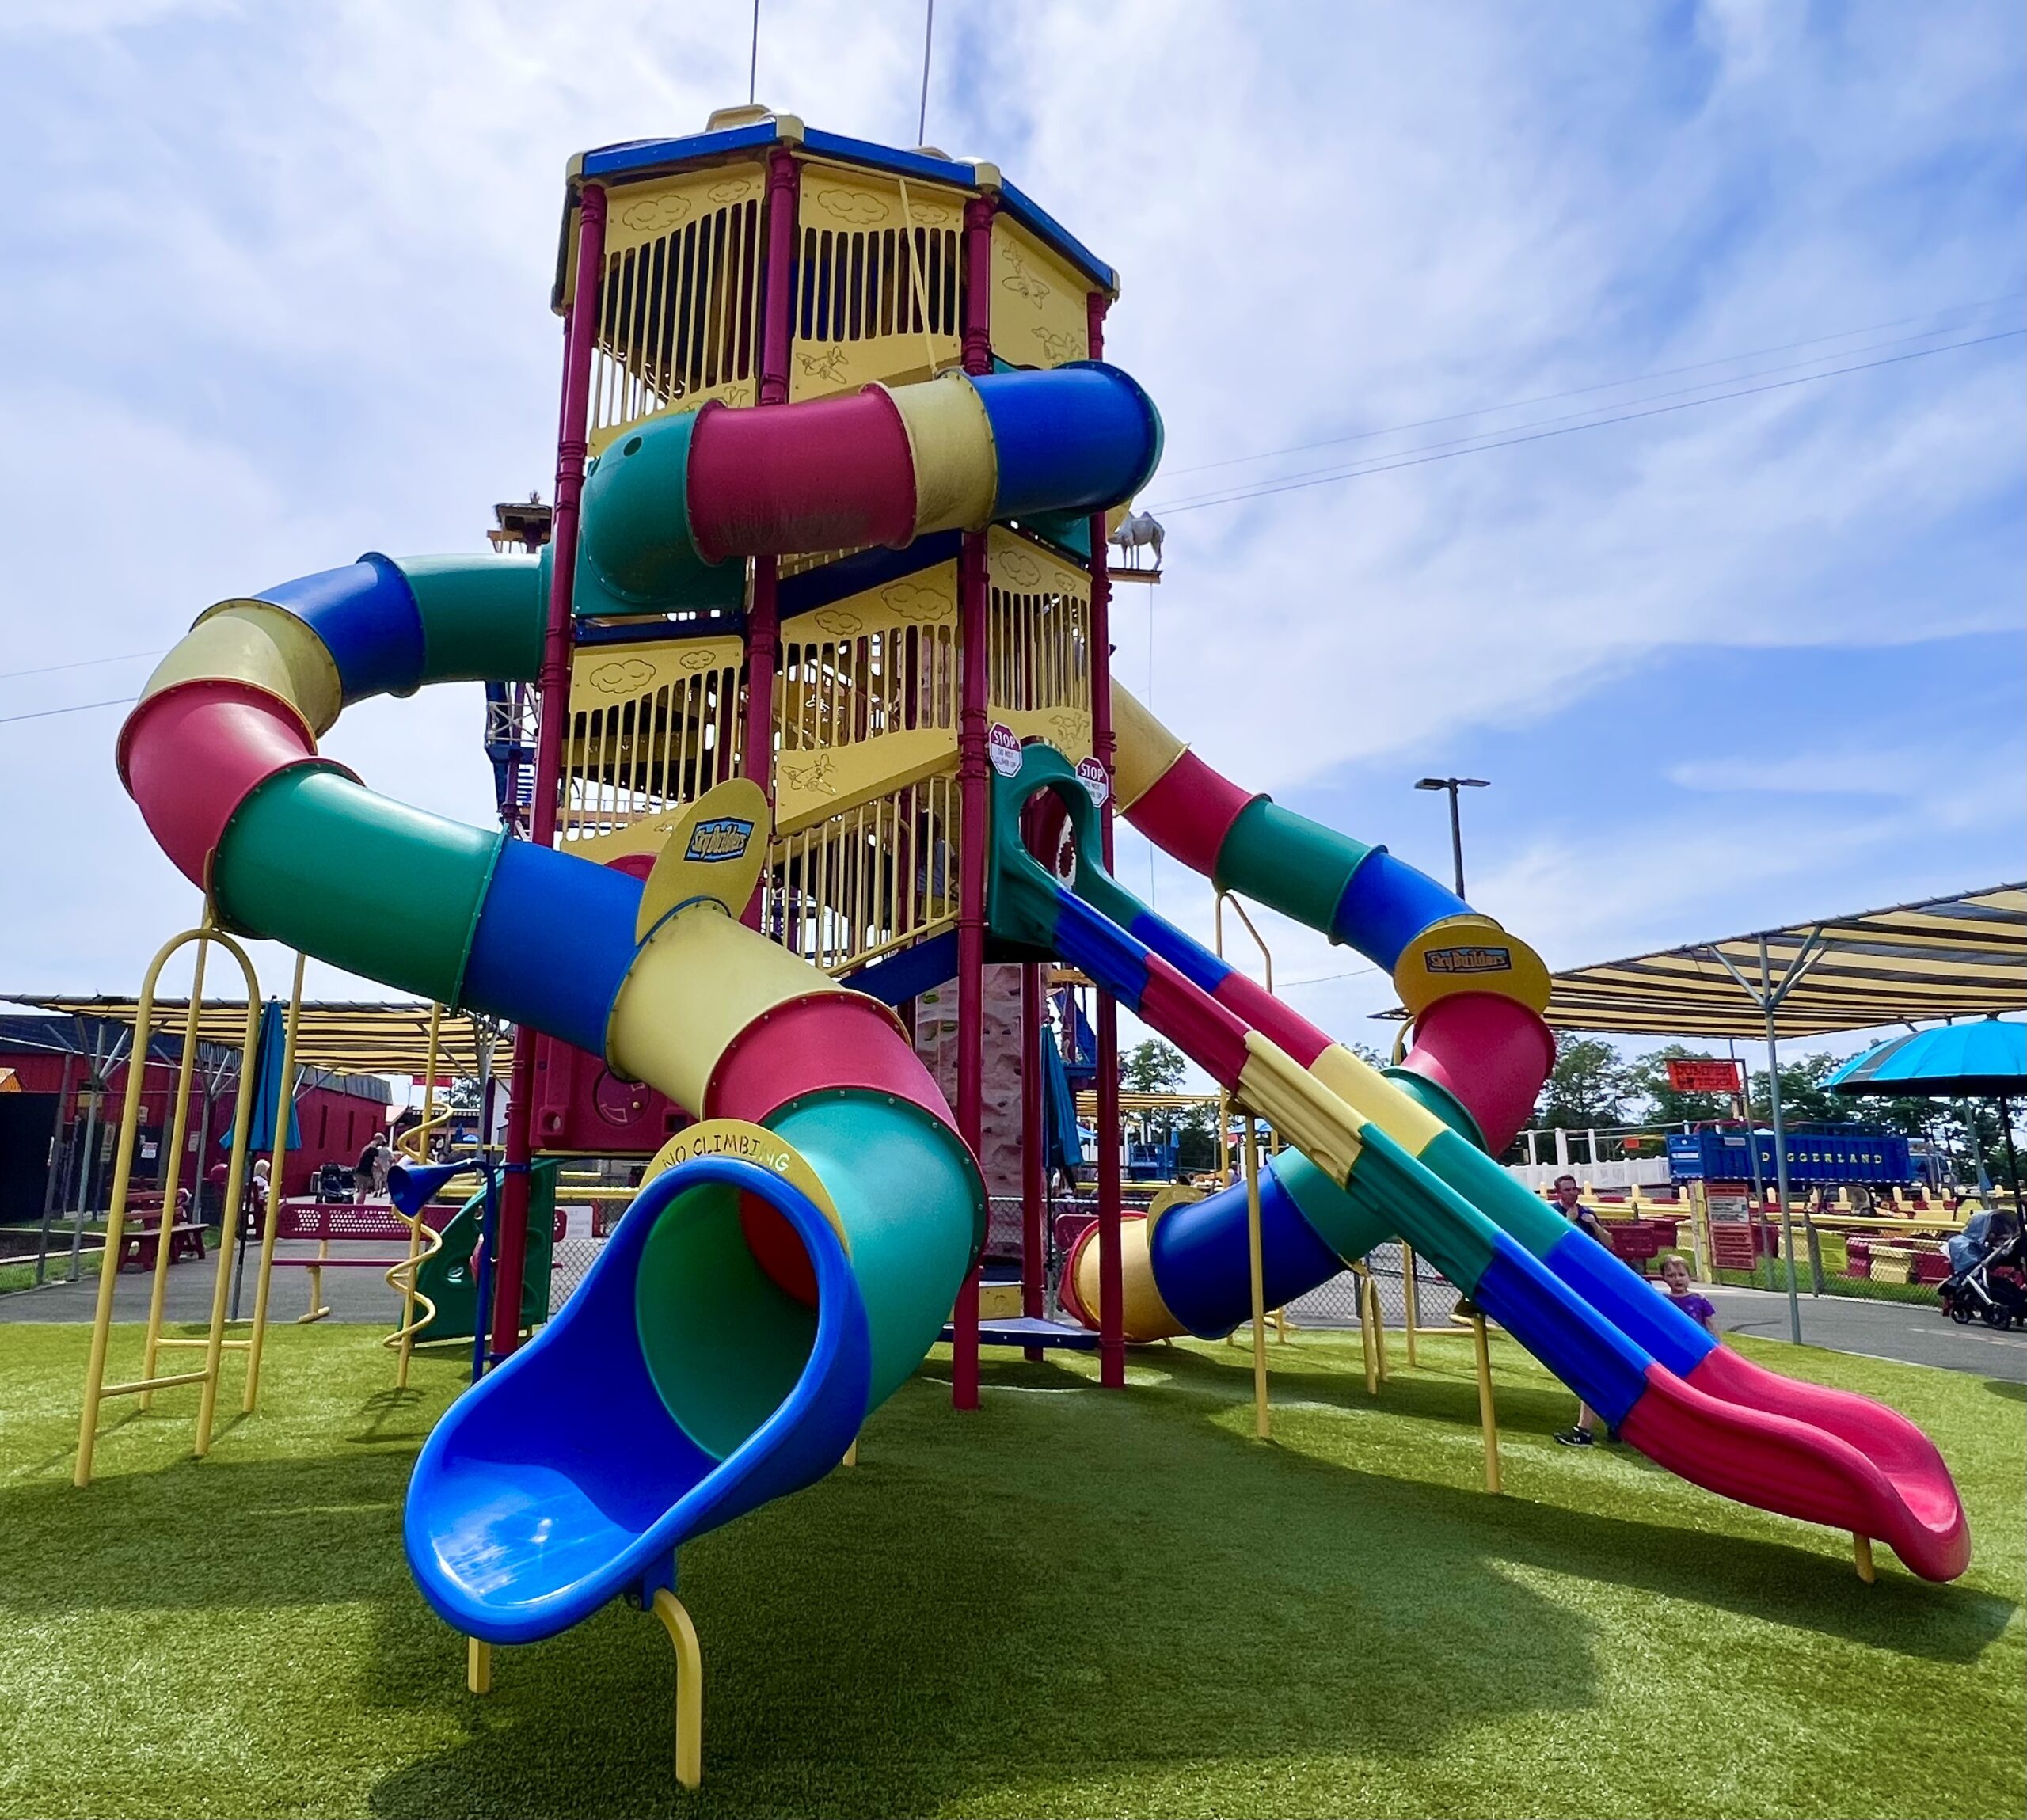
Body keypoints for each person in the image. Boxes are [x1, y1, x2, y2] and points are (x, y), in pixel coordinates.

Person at [1552, 1174, 1614, 1446]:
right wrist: (1569, 1219)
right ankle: (1600, 1425)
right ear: (1558, 1192)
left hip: (1591, 1278)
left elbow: (1609, 1244)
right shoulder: (1552, 1212)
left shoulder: (1588, 1214)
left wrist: (1592, 1225)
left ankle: (1599, 1427)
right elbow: (1556, 1239)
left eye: (1574, 1189)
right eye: (1567, 1190)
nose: (1572, 1193)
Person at [1656, 1252, 1719, 1336]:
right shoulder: (1663, 1301)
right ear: (1664, 1278)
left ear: (1689, 1276)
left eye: (1681, 1275)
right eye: (1671, 1276)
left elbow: (1711, 1327)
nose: (1677, 1279)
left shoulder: (1699, 1300)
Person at [354, 1134, 392, 1203]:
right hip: (365, 1172)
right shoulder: (373, 1149)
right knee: (363, 1191)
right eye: (381, 1141)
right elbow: (377, 1161)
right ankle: (359, 1207)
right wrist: (383, 1170)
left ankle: (359, 1206)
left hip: (360, 1171)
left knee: (362, 1191)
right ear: (379, 1140)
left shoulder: (367, 1147)